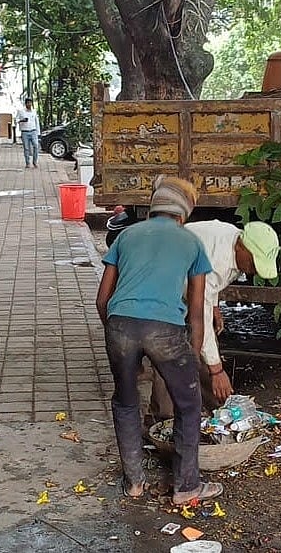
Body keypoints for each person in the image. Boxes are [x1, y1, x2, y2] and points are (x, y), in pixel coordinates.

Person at [95, 175, 223, 506]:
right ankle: (186, 487)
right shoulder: (191, 242)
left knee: (125, 401)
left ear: (154, 207)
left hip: (120, 325)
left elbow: (102, 300)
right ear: (184, 213)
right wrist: (191, 360)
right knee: (189, 405)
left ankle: (135, 483)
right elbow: (196, 312)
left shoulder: (125, 235)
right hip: (165, 330)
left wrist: (120, 339)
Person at [149, 220, 280, 419]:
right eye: (253, 262)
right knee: (168, 351)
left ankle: (215, 409)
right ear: (241, 247)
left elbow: (208, 290)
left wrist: (215, 305)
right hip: (159, 292)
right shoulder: (217, 260)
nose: (253, 270)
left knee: (202, 348)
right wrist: (217, 370)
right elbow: (198, 313)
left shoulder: (234, 241)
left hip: (185, 289)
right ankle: (161, 418)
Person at [16, 98, 40, 168]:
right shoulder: (21, 111)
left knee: (36, 145)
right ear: (25, 104)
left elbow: (36, 122)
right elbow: (16, 119)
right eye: (28, 103)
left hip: (33, 131)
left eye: (30, 103)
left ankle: (35, 162)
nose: (29, 104)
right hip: (25, 132)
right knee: (26, 148)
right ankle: (27, 162)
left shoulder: (34, 111)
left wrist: (38, 132)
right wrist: (21, 120)